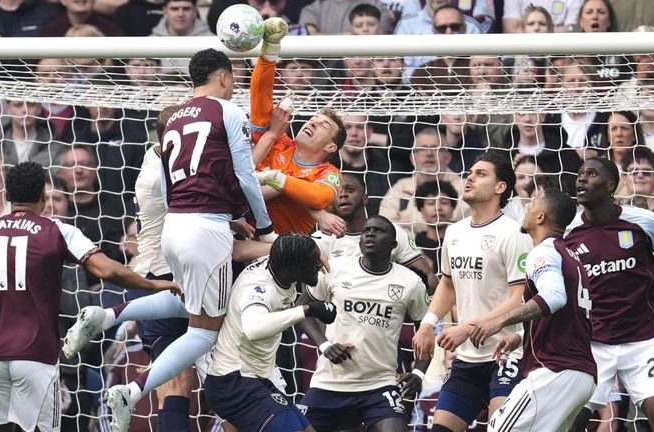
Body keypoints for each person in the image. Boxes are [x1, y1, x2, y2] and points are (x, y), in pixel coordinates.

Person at [67, 48, 276, 432]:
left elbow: (174, 189)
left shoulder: (174, 122)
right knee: (205, 334)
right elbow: (244, 175)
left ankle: (112, 314)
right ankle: (132, 389)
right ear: (226, 78)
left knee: (189, 305)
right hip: (203, 232)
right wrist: (265, 229)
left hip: (175, 231)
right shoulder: (227, 111)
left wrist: (227, 217)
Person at [0, 161, 178, 432]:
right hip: (36, 356)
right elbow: (105, 269)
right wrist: (150, 283)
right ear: (42, 195)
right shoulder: (57, 230)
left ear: (7, 196)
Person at [411, 151, 533, 432]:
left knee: (501, 428)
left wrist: (467, 327)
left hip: (506, 354)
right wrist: (428, 323)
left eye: (481, 174)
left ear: (500, 187)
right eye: (470, 173)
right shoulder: (454, 232)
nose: (470, 178)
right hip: (466, 358)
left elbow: (520, 298)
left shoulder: (514, 233)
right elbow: (448, 283)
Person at [565, 157, 654, 432]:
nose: (581, 179)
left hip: (642, 342)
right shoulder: (568, 232)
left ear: (610, 186)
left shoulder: (643, 222)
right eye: (580, 174)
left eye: (591, 174)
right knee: (571, 422)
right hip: (594, 344)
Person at [468, 188, 597, 431]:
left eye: (533, 204)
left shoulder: (544, 251)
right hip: (581, 375)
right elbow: (568, 315)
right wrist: (521, 336)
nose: (527, 207)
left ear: (541, 218)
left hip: (554, 371)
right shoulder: (570, 256)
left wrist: (499, 321)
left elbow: (554, 296)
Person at [297, 215, 429, 432]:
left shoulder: (410, 282)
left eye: (378, 231)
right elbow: (302, 309)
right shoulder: (335, 269)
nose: (370, 234)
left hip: (380, 384)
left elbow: (425, 332)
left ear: (393, 245)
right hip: (331, 382)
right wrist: (324, 345)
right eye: (366, 230)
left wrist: (419, 372)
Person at [205, 233, 337, 432]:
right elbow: (254, 328)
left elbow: (292, 244)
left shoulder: (281, 264)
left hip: (256, 377)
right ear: (295, 266)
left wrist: (316, 252)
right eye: (313, 262)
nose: (319, 265)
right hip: (234, 381)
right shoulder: (259, 290)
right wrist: (306, 310)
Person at [250, 17, 346, 234]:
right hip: (240, 240)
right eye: (313, 119)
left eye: (323, 125)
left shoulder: (328, 173)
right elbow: (260, 98)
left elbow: (319, 197)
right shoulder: (277, 141)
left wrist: (275, 179)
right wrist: (270, 51)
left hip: (289, 255)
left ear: (331, 147)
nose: (313, 121)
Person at [311, 172, 434, 290]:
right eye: (338, 192)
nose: (343, 195)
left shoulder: (392, 232)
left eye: (350, 190)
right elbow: (310, 291)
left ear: (365, 199)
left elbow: (431, 281)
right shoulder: (320, 239)